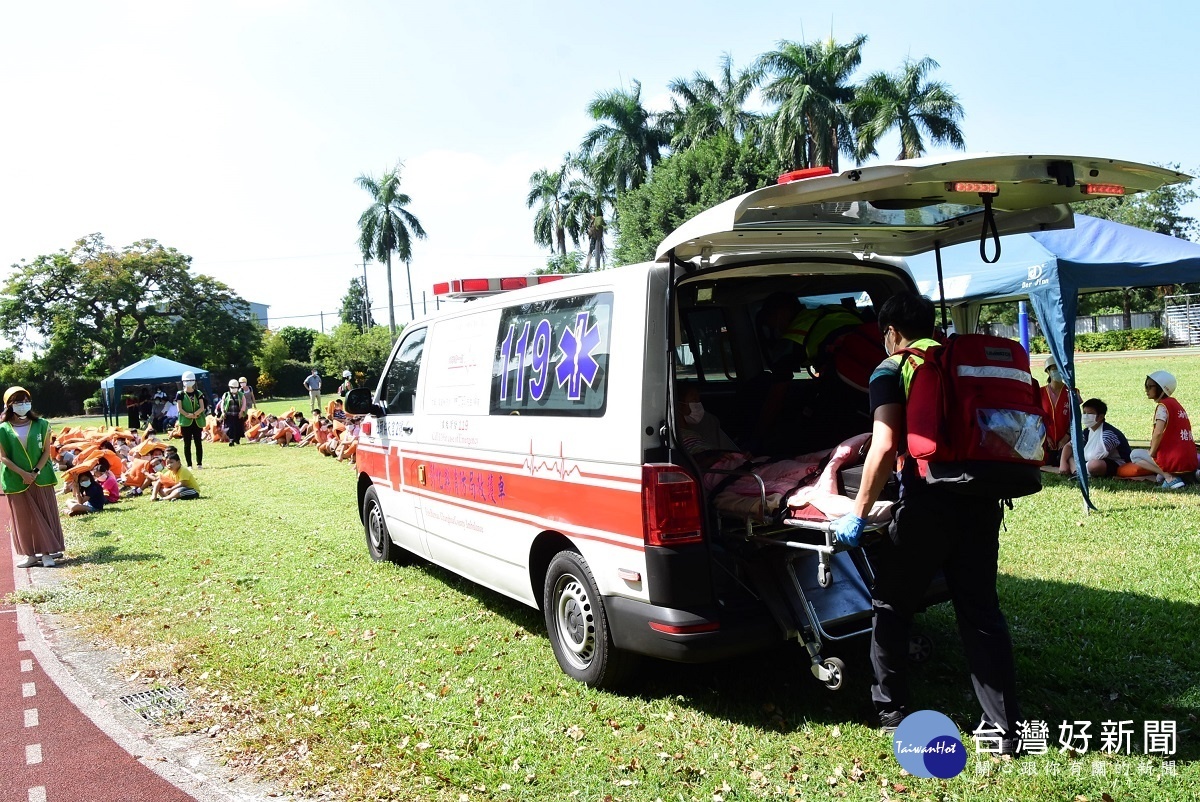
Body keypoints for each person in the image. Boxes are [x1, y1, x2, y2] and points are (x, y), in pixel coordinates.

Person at [831, 292, 1021, 749]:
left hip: (927, 504)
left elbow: (883, 445)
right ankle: (1004, 727)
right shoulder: (957, 360)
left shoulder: (893, 367)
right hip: (981, 500)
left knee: (892, 606)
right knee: (981, 612)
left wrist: (857, 515)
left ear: (891, 332)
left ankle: (891, 709)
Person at [0, 387, 66, 567]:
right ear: (9, 405)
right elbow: (3, 457)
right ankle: (30, 554)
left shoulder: (42, 424)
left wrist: (35, 472)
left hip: (41, 477)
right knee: (22, 517)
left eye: (26, 401)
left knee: (44, 513)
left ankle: (46, 553)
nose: (23, 405)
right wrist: (23, 473)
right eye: (18, 402)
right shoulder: (3, 429)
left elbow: (46, 451)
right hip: (16, 479)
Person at [1129, 370, 1198, 490]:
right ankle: (1189, 476)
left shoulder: (1163, 407)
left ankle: (1171, 478)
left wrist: (1152, 452)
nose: (1146, 390)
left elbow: (1158, 432)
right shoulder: (1176, 405)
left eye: (1150, 386)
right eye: (1146, 386)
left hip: (1174, 458)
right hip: (1189, 459)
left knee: (1135, 455)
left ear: (1161, 388)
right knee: (1158, 478)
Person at [1061, 398, 1133, 478]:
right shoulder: (1087, 431)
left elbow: (1095, 455)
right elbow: (1069, 446)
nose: (1085, 416)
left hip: (1117, 463)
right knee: (1070, 455)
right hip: (1094, 461)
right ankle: (1078, 472)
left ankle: (1077, 471)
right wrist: (1063, 462)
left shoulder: (1108, 433)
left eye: (1090, 414)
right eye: (1084, 413)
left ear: (1100, 417)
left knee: (1094, 465)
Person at [1039, 357, 1081, 474]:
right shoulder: (1040, 392)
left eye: (1059, 368)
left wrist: (1067, 436)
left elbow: (1076, 418)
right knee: (1044, 461)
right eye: (1053, 368)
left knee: (1066, 460)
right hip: (1045, 440)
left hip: (1066, 439)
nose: (1057, 371)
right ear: (1047, 371)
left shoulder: (1072, 392)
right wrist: (1045, 436)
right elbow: (1036, 418)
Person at [176, 371, 206, 469]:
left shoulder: (198, 393)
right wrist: (188, 415)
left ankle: (199, 463)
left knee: (198, 442)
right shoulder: (180, 394)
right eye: (187, 380)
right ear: (183, 381)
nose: (189, 382)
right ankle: (189, 464)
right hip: (185, 422)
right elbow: (179, 408)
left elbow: (202, 407)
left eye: (191, 380)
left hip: (197, 421)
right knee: (187, 443)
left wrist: (195, 414)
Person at [219, 379, 247, 445]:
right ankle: (231, 440)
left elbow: (244, 403)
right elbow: (222, 403)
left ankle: (237, 439)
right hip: (229, 414)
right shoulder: (226, 395)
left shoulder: (241, 395)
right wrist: (223, 412)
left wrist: (241, 411)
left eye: (235, 387)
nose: (233, 389)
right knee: (230, 428)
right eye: (232, 387)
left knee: (238, 427)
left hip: (238, 415)